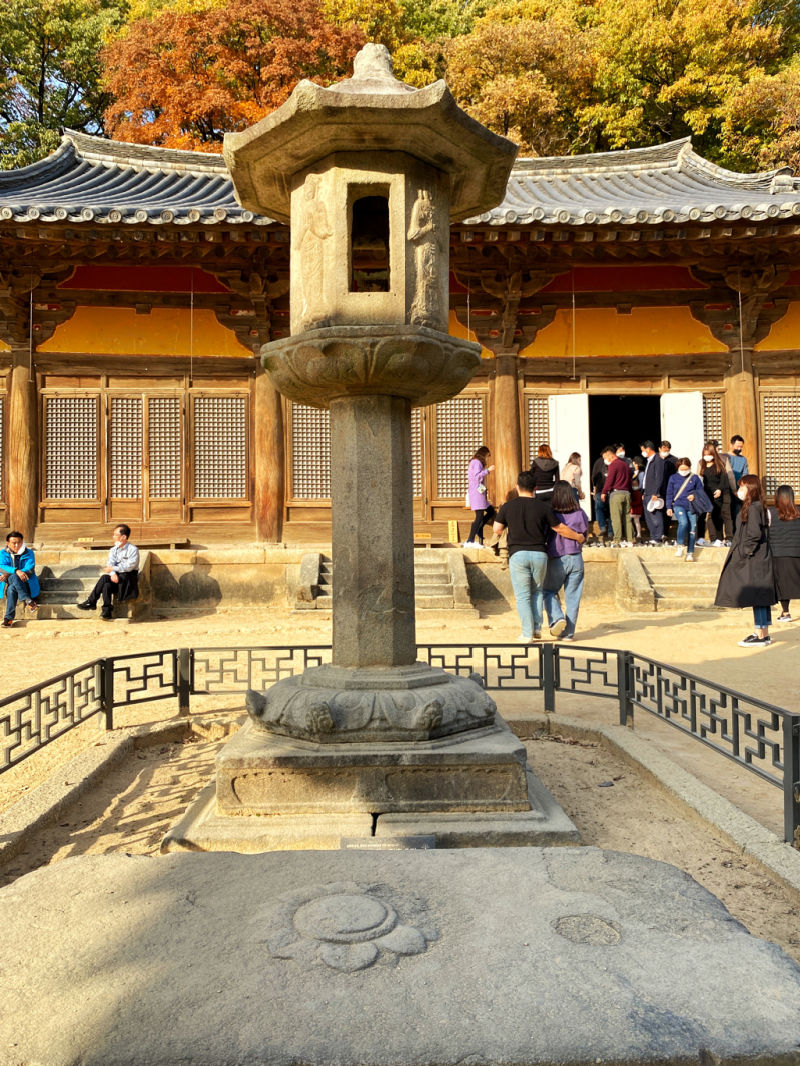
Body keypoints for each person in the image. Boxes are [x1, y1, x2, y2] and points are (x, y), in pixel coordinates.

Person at [493, 470, 586, 642]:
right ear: (535, 488)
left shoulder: (508, 507)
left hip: (520, 554)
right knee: (538, 591)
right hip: (541, 555)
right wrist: (579, 537)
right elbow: (559, 527)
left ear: (517, 487)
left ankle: (528, 633)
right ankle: (540, 629)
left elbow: (497, 529)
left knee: (524, 595)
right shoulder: (544, 507)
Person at [714, 475, 776, 647]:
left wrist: (745, 552)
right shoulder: (755, 506)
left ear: (751, 489)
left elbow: (755, 534)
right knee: (760, 596)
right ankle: (763, 633)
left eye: (743, 487)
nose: (740, 491)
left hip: (754, 558)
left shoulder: (755, 508)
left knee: (758, 596)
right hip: (757, 557)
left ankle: (761, 634)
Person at [543, 480, 589, 641]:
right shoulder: (580, 513)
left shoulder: (552, 514)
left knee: (548, 591)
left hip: (557, 558)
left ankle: (557, 617)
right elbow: (584, 535)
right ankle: (569, 633)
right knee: (573, 598)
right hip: (576, 557)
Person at [77, 524, 140, 620]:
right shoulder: (113, 550)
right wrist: (113, 573)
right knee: (106, 583)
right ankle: (106, 611)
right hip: (117, 577)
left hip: (127, 579)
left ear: (123, 537)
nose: (113, 537)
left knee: (104, 579)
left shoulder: (133, 550)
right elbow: (110, 564)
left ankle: (92, 602)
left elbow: (129, 567)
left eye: (115, 535)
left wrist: (114, 569)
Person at [665, 458, 711, 562]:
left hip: (692, 506)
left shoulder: (694, 478)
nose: (684, 470)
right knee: (683, 522)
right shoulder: (673, 478)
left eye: (686, 468)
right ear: (678, 468)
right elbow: (669, 493)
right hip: (678, 504)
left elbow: (700, 491)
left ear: (690, 468)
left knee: (692, 529)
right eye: (682, 468)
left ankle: (690, 552)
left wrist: (694, 495)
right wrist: (668, 507)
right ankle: (680, 545)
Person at [768, 484, 800, 623]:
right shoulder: (799, 512)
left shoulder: (770, 513)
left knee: (782, 584)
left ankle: (786, 612)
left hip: (778, 553)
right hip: (797, 552)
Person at [0, 531, 40, 628]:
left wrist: (9, 573)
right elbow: (1, 566)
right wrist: (16, 570)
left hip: (27, 583)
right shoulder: (2, 553)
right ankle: (28, 600)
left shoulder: (29, 553)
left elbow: (30, 569)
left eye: (19, 542)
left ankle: (8, 619)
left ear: (22, 542)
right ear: (7, 543)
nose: (17, 545)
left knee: (12, 588)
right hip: (9, 582)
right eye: (14, 543)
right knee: (14, 576)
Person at [697, 440, 734, 545]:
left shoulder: (720, 464)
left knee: (722, 515)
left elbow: (725, 478)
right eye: (705, 455)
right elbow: (699, 479)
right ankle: (703, 538)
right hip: (707, 494)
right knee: (704, 516)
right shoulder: (702, 464)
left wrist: (720, 489)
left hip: (721, 492)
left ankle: (728, 538)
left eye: (708, 454)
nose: (706, 457)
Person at [600, 445, 633, 547]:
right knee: (627, 518)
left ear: (610, 456)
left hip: (616, 493)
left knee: (616, 517)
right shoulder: (625, 465)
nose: (605, 460)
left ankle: (617, 540)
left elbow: (610, 480)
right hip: (627, 493)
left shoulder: (613, 465)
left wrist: (604, 492)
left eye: (605, 458)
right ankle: (630, 539)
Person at [464, 446, 496, 549]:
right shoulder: (477, 462)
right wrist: (488, 470)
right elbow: (477, 475)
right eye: (487, 456)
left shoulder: (474, 462)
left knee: (490, 511)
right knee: (479, 516)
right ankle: (470, 539)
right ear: (484, 454)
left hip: (478, 492)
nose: (487, 458)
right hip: (477, 492)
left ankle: (479, 527)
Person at [640, 440, 667, 543]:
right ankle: (653, 536)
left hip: (654, 493)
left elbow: (659, 478)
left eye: (643, 450)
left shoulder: (658, 460)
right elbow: (647, 478)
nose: (642, 452)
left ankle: (658, 536)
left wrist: (655, 493)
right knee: (649, 516)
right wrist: (644, 492)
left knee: (656, 515)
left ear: (648, 449)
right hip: (647, 493)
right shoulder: (649, 460)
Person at [724, 435, 749, 527]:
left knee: (737, 513)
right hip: (725, 489)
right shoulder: (724, 457)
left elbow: (745, 474)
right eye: (737, 446)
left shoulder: (743, 459)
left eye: (741, 446)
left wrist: (742, 489)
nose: (739, 448)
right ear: (731, 444)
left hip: (738, 490)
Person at [590, 448, 612, 545]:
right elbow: (594, 476)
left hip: (611, 491)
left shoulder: (614, 462)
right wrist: (594, 489)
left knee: (612, 511)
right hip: (600, 490)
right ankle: (604, 528)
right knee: (598, 508)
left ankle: (610, 531)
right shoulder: (598, 462)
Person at [630, 455, 646, 543]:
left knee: (635, 521)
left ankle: (638, 533)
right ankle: (634, 533)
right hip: (636, 505)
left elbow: (641, 486)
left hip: (636, 506)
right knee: (635, 521)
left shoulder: (641, 473)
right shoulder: (634, 472)